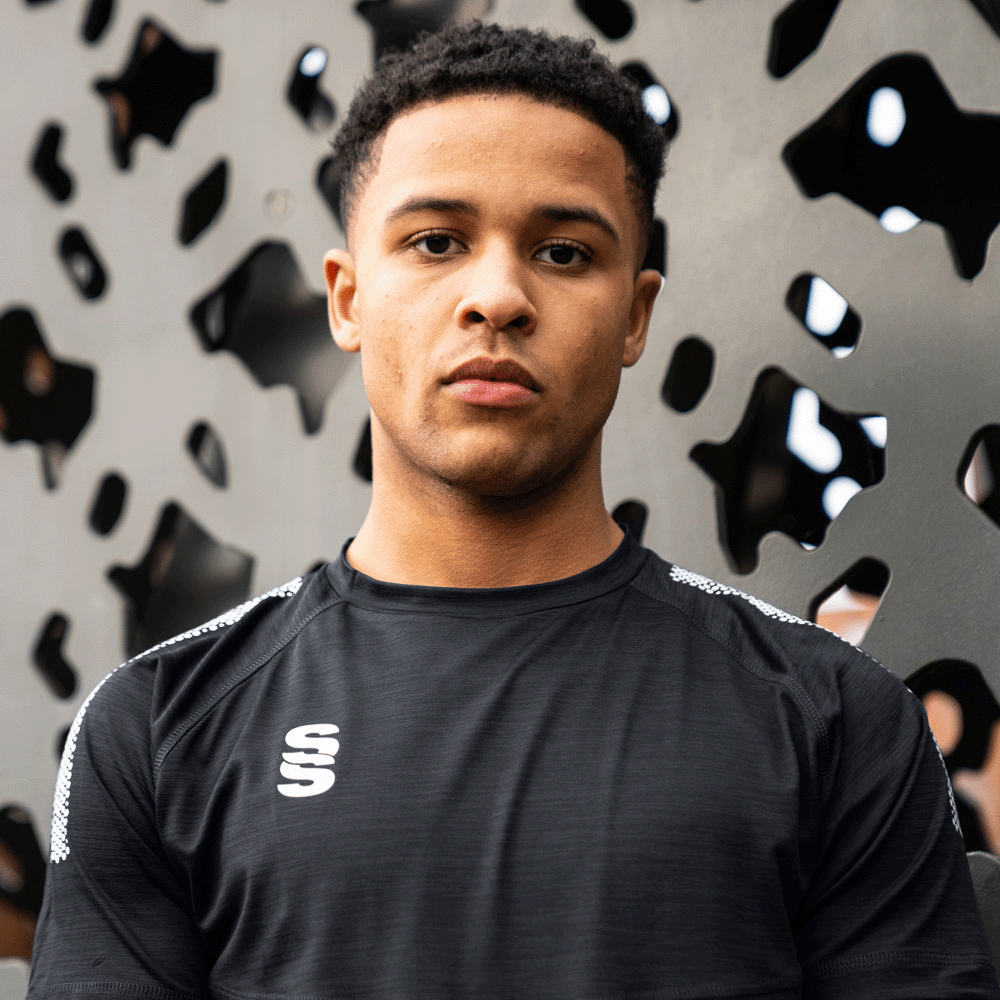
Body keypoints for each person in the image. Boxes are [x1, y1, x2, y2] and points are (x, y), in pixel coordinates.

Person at [27, 21, 999, 1000]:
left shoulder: (839, 721)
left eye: (564, 252)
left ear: (635, 316)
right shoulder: (156, 729)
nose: (497, 296)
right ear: (347, 299)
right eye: (436, 242)